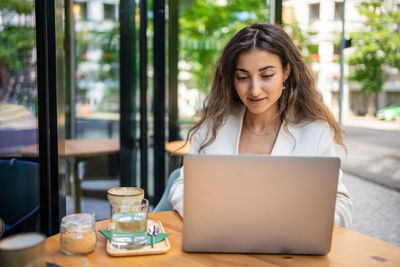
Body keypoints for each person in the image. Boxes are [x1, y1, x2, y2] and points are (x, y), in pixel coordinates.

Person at [168, 23, 352, 227]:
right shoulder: (215, 125)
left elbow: (341, 205)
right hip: (220, 241)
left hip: (287, 249)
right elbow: (181, 185)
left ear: (286, 72)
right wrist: (210, 216)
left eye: (266, 75)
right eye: (243, 77)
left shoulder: (315, 132)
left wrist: (296, 221)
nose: (254, 90)